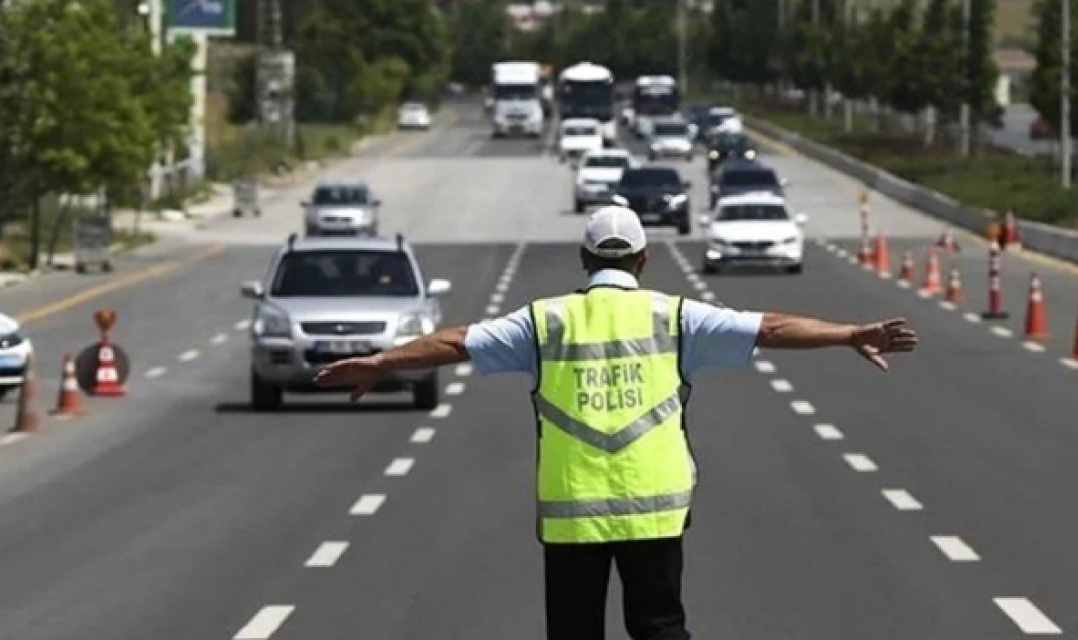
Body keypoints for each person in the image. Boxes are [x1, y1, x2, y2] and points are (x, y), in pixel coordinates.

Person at [313, 206, 918, 640]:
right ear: (644, 259)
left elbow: (454, 342)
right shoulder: (675, 315)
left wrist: (383, 360)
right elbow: (770, 328)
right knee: (660, 627)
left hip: (574, 513)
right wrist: (849, 334)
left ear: (582, 260)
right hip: (654, 509)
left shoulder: (544, 322)